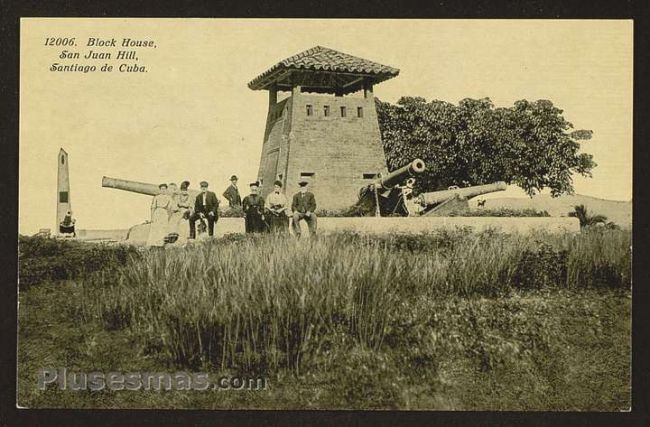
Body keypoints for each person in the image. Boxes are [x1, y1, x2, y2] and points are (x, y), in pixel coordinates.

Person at [167, 181, 192, 245]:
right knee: (173, 220)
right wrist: (178, 209)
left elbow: (190, 206)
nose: (184, 191)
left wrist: (187, 210)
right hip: (178, 212)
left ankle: (183, 239)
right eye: (183, 190)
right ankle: (172, 237)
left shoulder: (189, 197)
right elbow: (174, 206)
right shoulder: (177, 197)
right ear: (181, 190)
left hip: (185, 213)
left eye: (185, 190)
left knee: (184, 223)